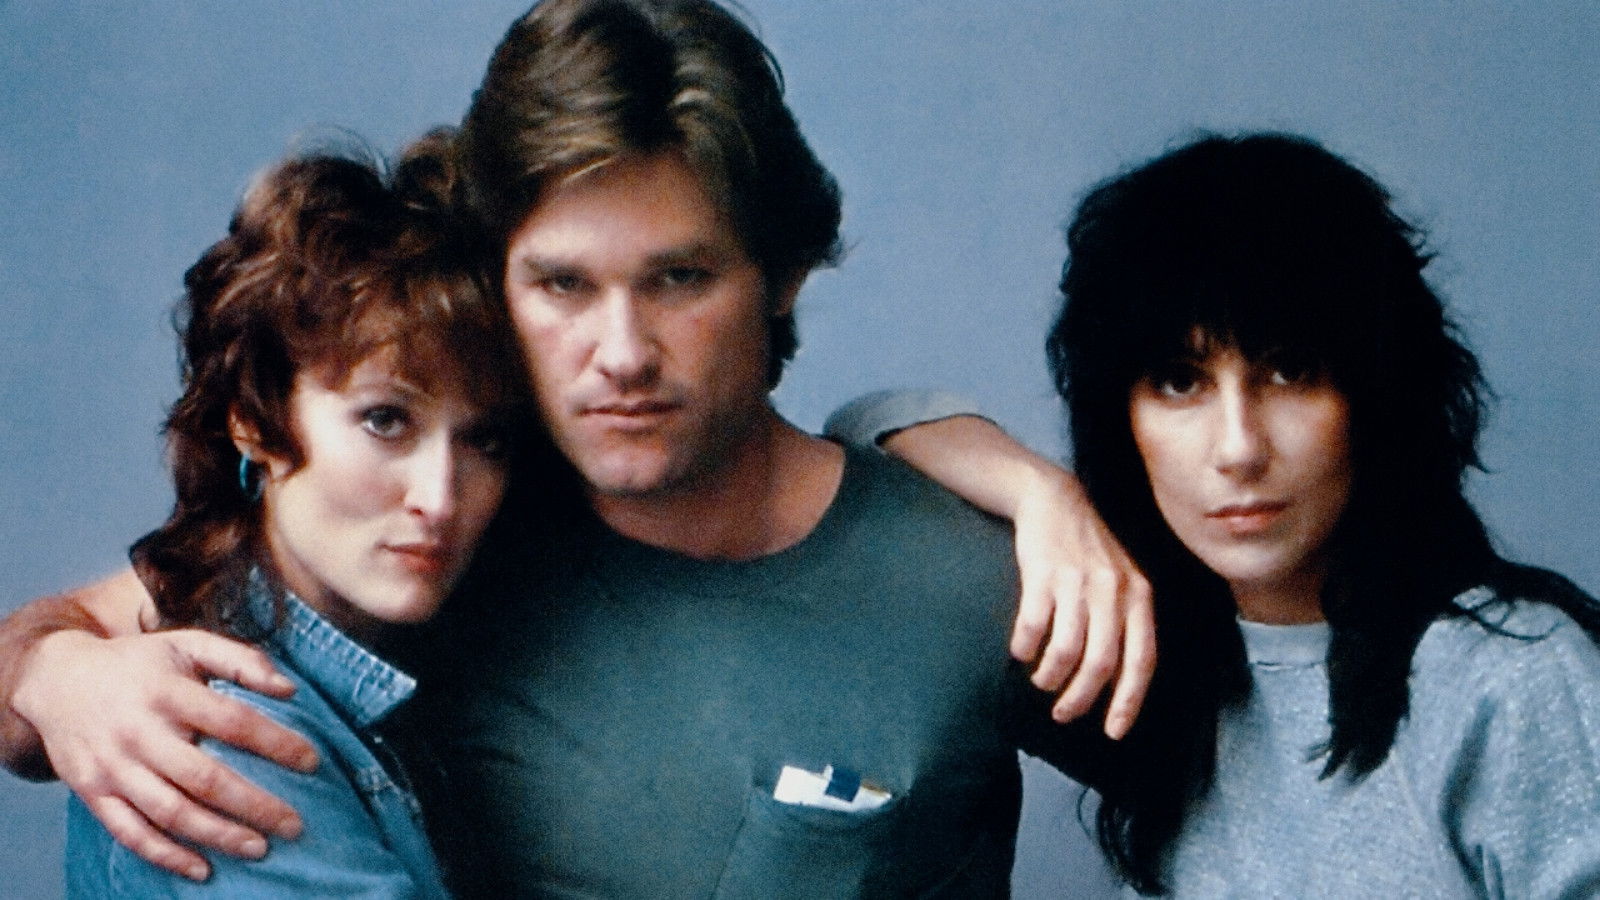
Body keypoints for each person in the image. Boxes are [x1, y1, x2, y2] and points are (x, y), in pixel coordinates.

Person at [0, 0, 1155, 894]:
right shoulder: (446, 527)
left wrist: (1026, 482)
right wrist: (62, 680)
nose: (622, 354)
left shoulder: (978, 575)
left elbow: (1245, 778)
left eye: (680, 278)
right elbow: (67, 646)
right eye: (561, 284)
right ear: (498, 288)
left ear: (782, 278)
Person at [875, 132, 1600, 896]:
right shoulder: (1165, 662)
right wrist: (1044, 496)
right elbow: (865, 430)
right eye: (1180, 382)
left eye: (1290, 371)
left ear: (1374, 393)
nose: (1238, 448)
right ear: (1123, 421)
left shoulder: (1510, 680)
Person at [63, 146, 530, 896]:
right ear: (252, 419)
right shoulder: (228, 739)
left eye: (486, 441)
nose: (441, 498)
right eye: (386, 420)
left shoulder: (387, 664)